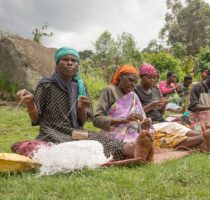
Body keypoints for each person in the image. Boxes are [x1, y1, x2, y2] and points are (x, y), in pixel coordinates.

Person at [13, 47, 146, 162]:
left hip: (75, 131)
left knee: (99, 139)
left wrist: (82, 108)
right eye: (66, 60)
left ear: (77, 65)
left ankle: (132, 149)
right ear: (58, 63)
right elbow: (36, 119)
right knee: (74, 147)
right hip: (51, 131)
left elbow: (81, 121)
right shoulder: (46, 84)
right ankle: (130, 151)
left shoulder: (81, 87)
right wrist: (30, 103)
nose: (70, 63)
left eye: (74, 60)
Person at [134, 63, 210, 152]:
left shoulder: (155, 90)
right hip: (147, 124)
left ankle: (203, 136)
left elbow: (160, 114)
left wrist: (164, 105)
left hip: (160, 121)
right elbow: (135, 115)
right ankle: (203, 138)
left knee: (179, 125)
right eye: (149, 77)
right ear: (141, 77)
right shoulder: (135, 91)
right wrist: (151, 106)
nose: (152, 80)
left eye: (154, 78)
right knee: (170, 131)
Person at [93, 64, 154, 161]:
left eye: (135, 82)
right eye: (131, 80)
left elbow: (142, 120)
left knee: (145, 138)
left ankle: (138, 150)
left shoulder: (134, 96)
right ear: (120, 77)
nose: (133, 84)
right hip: (113, 134)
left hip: (135, 133)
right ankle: (137, 151)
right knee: (122, 145)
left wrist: (145, 124)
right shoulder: (109, 91)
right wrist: (124, 120)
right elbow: (96, 120)